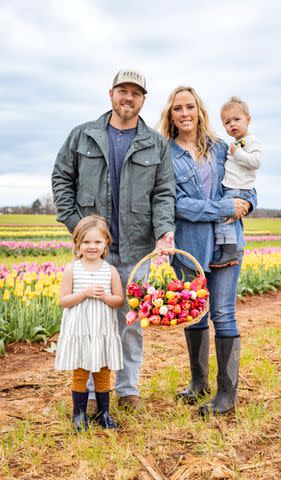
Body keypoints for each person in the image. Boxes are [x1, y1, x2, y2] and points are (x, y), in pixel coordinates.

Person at [52, 69, 175, 411]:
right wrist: (78, 227)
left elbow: (164, 193)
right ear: (110, 94)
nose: (128, 97)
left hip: (136, 249)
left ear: (143, 100)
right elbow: (61, 178)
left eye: (136, 93)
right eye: (123, 90)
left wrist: (164, 230)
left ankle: (128, 389)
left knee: (130, 323)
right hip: (94, 255)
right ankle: (91, 394)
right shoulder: (83, 136)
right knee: (93, 321)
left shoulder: (156, 143)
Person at [158, 86, 257, 416]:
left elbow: (247, 184)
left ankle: (227, 395)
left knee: (224, 313)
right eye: (177, 109)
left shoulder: (221, 148)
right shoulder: (166, 155)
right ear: (170, 115)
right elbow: (176, 204)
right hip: (189, 246)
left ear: (199, 110)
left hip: (227, 241)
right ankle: (198, 384)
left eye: (190, 107)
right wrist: (221, 206)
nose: (184, 113)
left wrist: (248, 204)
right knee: (195, 311)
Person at [55, 215, 123, 431]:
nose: (92, 246)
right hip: (81, 330)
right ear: (77, 244)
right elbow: (64, 301)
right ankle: (79, 415)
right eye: (86, 242)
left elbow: (119, 300)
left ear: (106, 244)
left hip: (102, 330)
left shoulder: (110, 270)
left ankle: (104, 414)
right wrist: (84, 293)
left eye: (97, 242)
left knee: (103, 372)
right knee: (81, 372)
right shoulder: (72, 269)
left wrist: (105, 297)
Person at [210, 96, 262, 268]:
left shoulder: (251, 141)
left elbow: (256, 162)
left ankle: (229, 252)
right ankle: (227, 249)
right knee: (224, 217)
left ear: (248, 120)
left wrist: (237, 153)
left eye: (237, 119)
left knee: (223, 217)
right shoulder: (235, 143)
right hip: (232, 188)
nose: (232, 124)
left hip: (238, 190)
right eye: (227, 122)